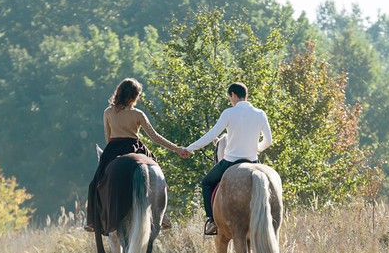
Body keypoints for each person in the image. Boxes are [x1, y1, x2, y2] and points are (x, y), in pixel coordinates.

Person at [85, 78, 189, 233]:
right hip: (135, 147)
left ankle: (93, 221)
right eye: (138, 95)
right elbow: (155, 137)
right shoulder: (138, 114)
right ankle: (163, 215)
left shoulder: (107, 112)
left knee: (96, 183)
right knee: (158, 175)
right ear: (133, 96)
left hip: (114, 148)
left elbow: (108, 138)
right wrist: (177, 149)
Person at [184, 82, 273, 236]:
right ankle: (271, 218)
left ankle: (212, 221)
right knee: (269, 186)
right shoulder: (260, 114)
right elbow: (268, 141)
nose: (230, 101)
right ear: (246, 95)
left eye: (229, 98)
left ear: (233, 95)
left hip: (230, 162)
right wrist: (256, 147)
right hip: (253, 162)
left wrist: (190, 148)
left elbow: (211, 135)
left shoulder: (229, 113)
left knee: (206, 183)